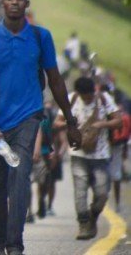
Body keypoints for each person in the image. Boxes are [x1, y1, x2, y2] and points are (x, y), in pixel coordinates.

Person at [0, 0, 81, 255]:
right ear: (2, 3)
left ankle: (14, 245)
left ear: (26, 4)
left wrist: (71, 121)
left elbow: (55, 80)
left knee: (20, 176)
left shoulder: (40, 36)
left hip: (27, 117)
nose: (14, 3)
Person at [54, 77, 120, 239]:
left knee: (102, 192)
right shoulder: (71, 100)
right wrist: (70, 124)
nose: (87, 99)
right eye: (85, 97)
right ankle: (84, 224)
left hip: (101, 154)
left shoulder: (104, 99)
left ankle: (93, 216)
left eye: (90, 96)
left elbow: (118, 121)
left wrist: (101, 124)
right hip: (78, 153)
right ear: (79, 93)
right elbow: (57, 123)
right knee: (80, 190)